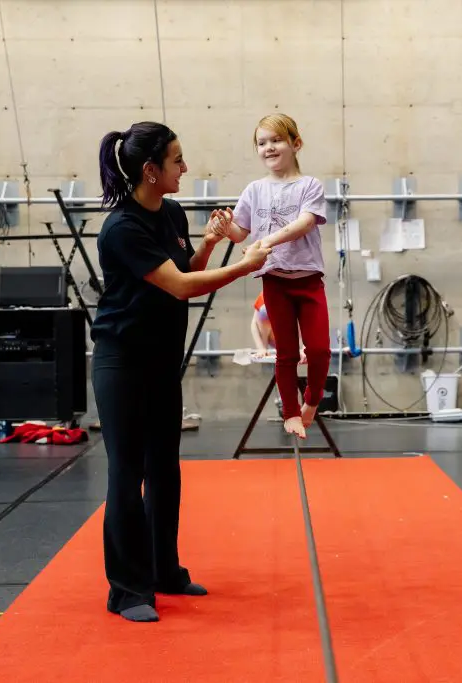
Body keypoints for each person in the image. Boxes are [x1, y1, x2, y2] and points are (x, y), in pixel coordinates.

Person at [92, 121, 271, 623]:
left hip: (160, 361)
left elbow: (187, 267)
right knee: (127, 475)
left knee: (164, 470)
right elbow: (180, 287)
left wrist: (213, 245)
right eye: (176, 161)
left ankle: (162, 570)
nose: (185, 169)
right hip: (122, 362)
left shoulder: (169, 211)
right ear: (151, 171)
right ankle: (126, 590)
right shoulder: (122, 227)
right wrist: (245, 264)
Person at [211, 113, 331, 439]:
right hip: (274, 279)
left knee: (319, 349)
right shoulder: (254, 189)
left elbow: (305, 222)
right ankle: (289, 411)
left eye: (276, 140)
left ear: (296, 143)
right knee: (287, 352)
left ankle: (313, 400)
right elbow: (240, 232)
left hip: (307, 279)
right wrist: (226, 229)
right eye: (261, 143)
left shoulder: (310, 186)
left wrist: (266, 241)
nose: (268, 148)